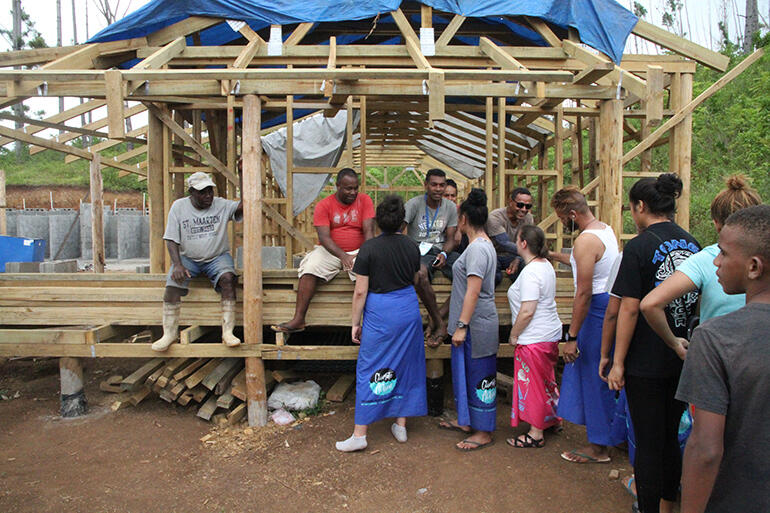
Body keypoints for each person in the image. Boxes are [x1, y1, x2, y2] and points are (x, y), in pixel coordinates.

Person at [608, 174, 701, 513]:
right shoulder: (693, 244)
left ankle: (648, 508)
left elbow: (628, 310)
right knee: (669, 438)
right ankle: (667, 505)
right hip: (682, 356)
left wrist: (617, 362)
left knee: (648, 442)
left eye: (631, 208)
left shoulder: (639, 246)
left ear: (641, 206)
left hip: (644, 362)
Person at [676, 205, 770, 513]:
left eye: (724, 254)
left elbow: (705, 449)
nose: (716, 261)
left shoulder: (715, 338)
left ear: (754, 267)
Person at [336, 195, 427, 452]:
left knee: (370, 366)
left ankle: (360, 434)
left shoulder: (369, 249)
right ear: (403, 223)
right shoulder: (412, 247)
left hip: (380, 312)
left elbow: (360, 292)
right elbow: (413, 278)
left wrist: (355, 323)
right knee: (406, 364)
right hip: (407, 308)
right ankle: (401, 425)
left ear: (377, 222)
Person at [640, 175, 762, 341]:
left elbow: (650, 304)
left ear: (716, 223)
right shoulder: (763, 257)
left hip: (716, 350)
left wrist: (674, 343)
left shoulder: (705, 259)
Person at [547, 186, 620, 464]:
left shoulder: (585, 241)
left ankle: (599, 447)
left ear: (573, 214)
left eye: (563, 218)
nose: (564, 224)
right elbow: (582, 263)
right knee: (604, 373)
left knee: (593, 375)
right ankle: (612, 434)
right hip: (608, 304)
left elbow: (584, 292)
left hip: (595, 310)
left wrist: (572, 335)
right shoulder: (605, 230)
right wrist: (554, 255)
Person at [272, 169, 375, 333]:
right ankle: (299, 319)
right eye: (348, 188)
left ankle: (369, 322)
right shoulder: (324, 205)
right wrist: (343, 256)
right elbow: (324, 237)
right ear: (338, 186)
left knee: (370, 274)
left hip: (359, 250)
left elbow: (369, 231)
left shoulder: (365, 200)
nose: (353, 192)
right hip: (330, 250)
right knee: (310, 267)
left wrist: (365, 255)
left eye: (356, 188)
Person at [152, 172, 243, 351]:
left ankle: (227, 332)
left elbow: (244, 206)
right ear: (191, 192)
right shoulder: (179, 207)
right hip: (188, 258)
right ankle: (169, 333)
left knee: (228, 279)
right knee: (172, 285)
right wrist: (177, 264)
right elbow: (171, 239)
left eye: (210, 191)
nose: (208, 196)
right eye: (203, 192)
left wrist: (242, 174)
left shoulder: (221, 204)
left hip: (217, 257)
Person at [439, 188, 499, 451]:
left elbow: (473, 291)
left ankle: (483, 430)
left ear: (462, 219)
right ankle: (467, 421)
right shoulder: (482, 245)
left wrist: (462, 326)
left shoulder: (477, 250)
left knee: (480, 373)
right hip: (472, 323)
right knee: (467, 372)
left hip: (477, 324)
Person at [506, 225, 562, 448]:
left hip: (534, 337)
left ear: (523, 244)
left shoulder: (530, 272)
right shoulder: (546, 265)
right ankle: (552, 419)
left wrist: (514, 333)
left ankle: (536, 432)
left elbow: (528, 310)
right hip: (549, 333)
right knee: (547, 380)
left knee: (534, 384)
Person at [404, 168, 459, 344]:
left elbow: (451, 238)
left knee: (470, 272)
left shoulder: (449, 207)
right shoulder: (413, 204)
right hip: (418, 250)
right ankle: (439, 323)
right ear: (426, 185)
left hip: (441, 251)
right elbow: (400, 230)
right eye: (434, 184)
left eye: (442, 185)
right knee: (419, 273)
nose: (438, 189)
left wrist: (444, 253)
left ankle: (437, 316)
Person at [486, 187, 534, 285]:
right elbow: (504, 243)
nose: (524, 209)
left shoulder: (528, 219)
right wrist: (528, 252)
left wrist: (519, 258)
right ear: (510, 202)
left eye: (528, 206)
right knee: (495, 277)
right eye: (520, 205)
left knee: (528, 269)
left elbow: (528, 243)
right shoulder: (495, 217)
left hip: (513, 256)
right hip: (494, 255)